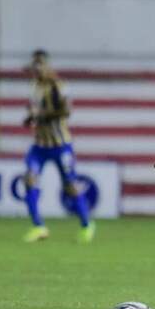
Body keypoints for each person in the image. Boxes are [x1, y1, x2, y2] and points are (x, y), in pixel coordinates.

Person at [21, 49, 95, 243]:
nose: (36, 68)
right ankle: (39, 226)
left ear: (47, 65)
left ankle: (87, 225)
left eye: (40, 64)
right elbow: (34, 110)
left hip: (60, 145)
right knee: (29, 179)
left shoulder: (58, 86)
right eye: (34, 64)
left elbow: (66, 111)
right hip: (39, 146)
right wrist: (30, 118)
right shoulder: (34, 86)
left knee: (70, 186)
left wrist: (41, 115)